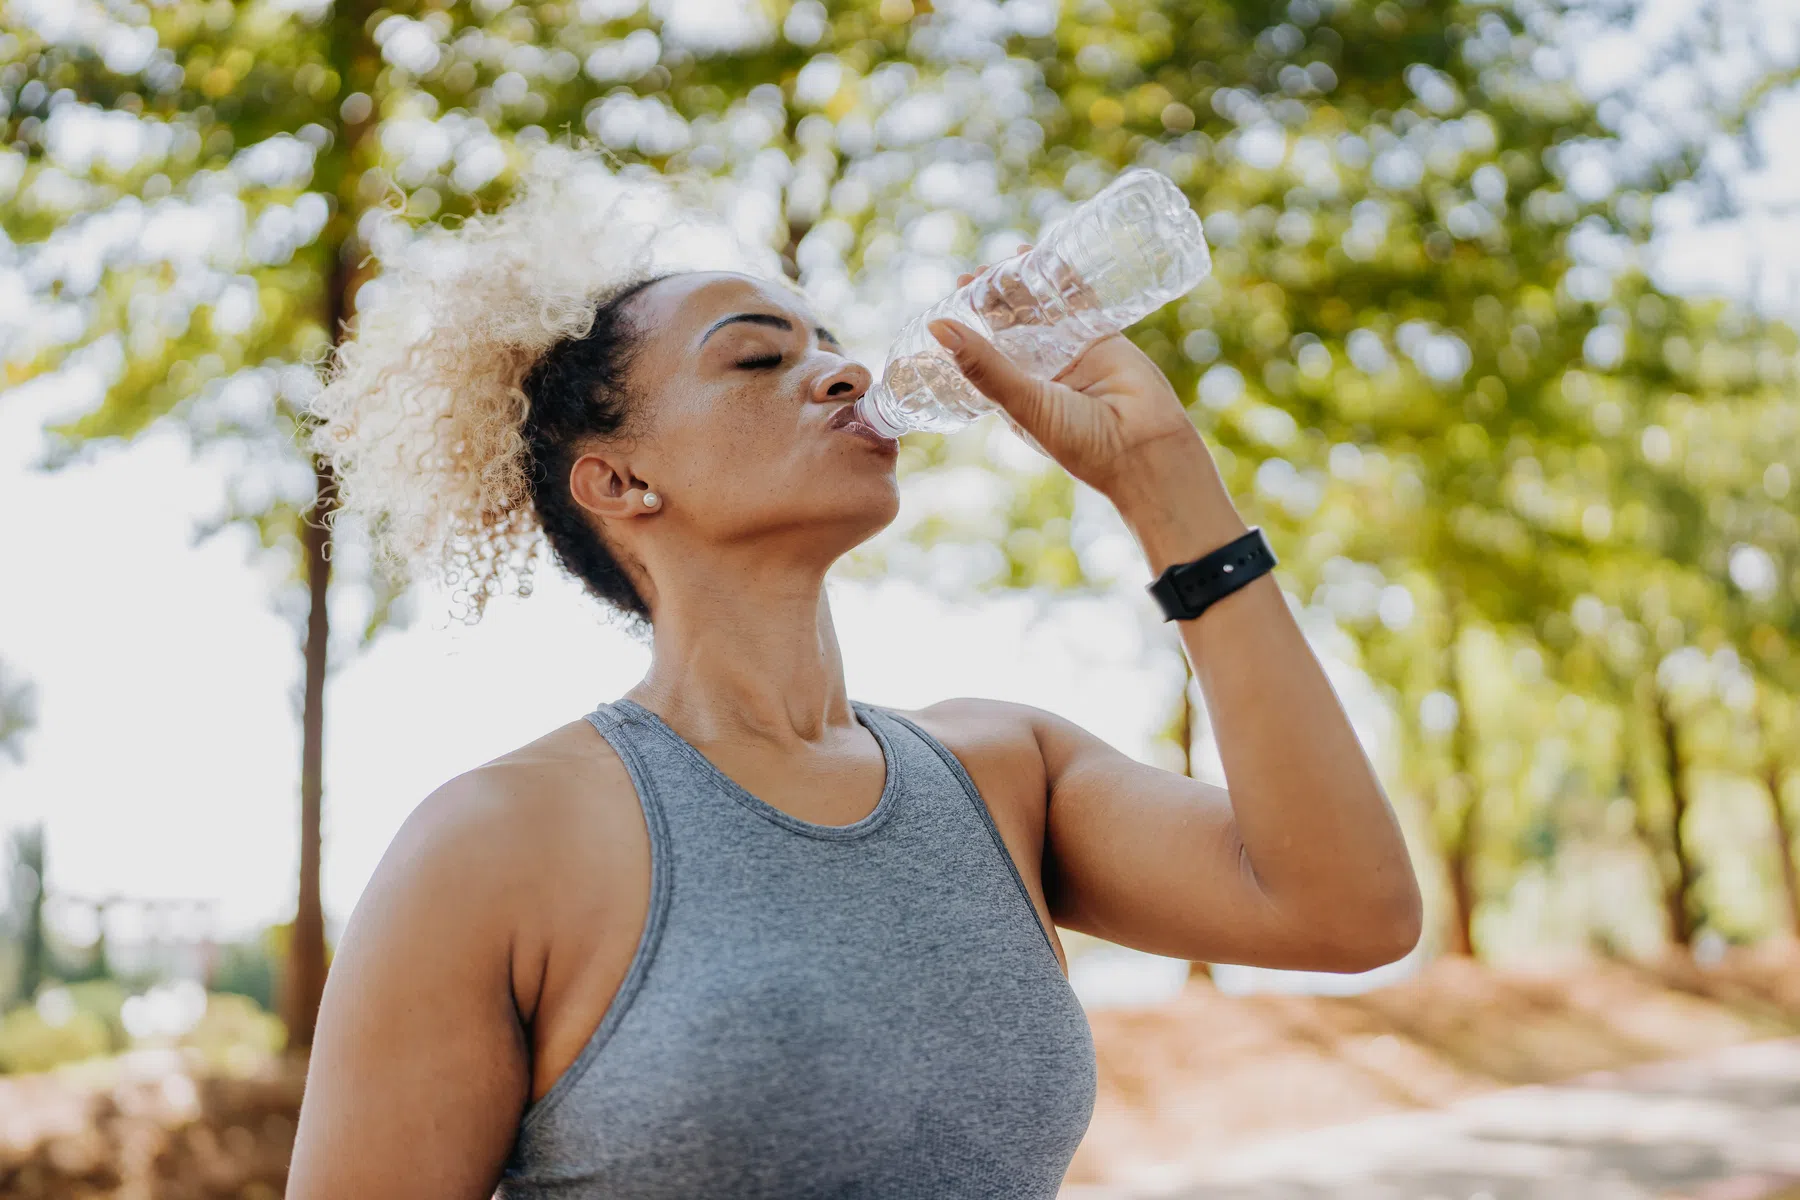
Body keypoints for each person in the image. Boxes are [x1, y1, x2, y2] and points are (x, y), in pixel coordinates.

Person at [286, 152, 1421, 1200]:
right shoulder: (493, 842)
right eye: (758, 357)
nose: (843, 373)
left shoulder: (1006, 773)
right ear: (621, 481)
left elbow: (1347, 912)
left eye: (828, 344)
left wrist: (1162, 479)